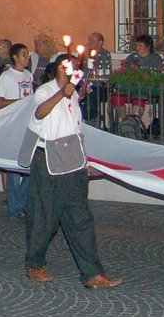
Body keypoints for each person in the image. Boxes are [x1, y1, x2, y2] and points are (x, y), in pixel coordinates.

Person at [21, 54, 122, 289]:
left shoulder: (74, 94)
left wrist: (84, 160)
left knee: (80, 219)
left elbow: (76, 129)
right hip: (49, 162)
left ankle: (92, 273)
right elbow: (39, 114)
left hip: (73, 163)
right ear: (59, 69)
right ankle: (35, 263)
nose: (74, 71)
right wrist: (61, 94)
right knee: (44, 217)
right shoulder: (44, 91)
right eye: (70, 67)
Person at [0, 43, 35, 217]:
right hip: (12, 125)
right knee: (13, 168)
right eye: (24, 54)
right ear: (15, 57)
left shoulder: (28, 75)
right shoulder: (6, 77)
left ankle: (22, 201)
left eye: (28, 54)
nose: (27, 57)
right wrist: (19, 103)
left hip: (26, 125)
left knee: (28, 166)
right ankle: (15, 206)